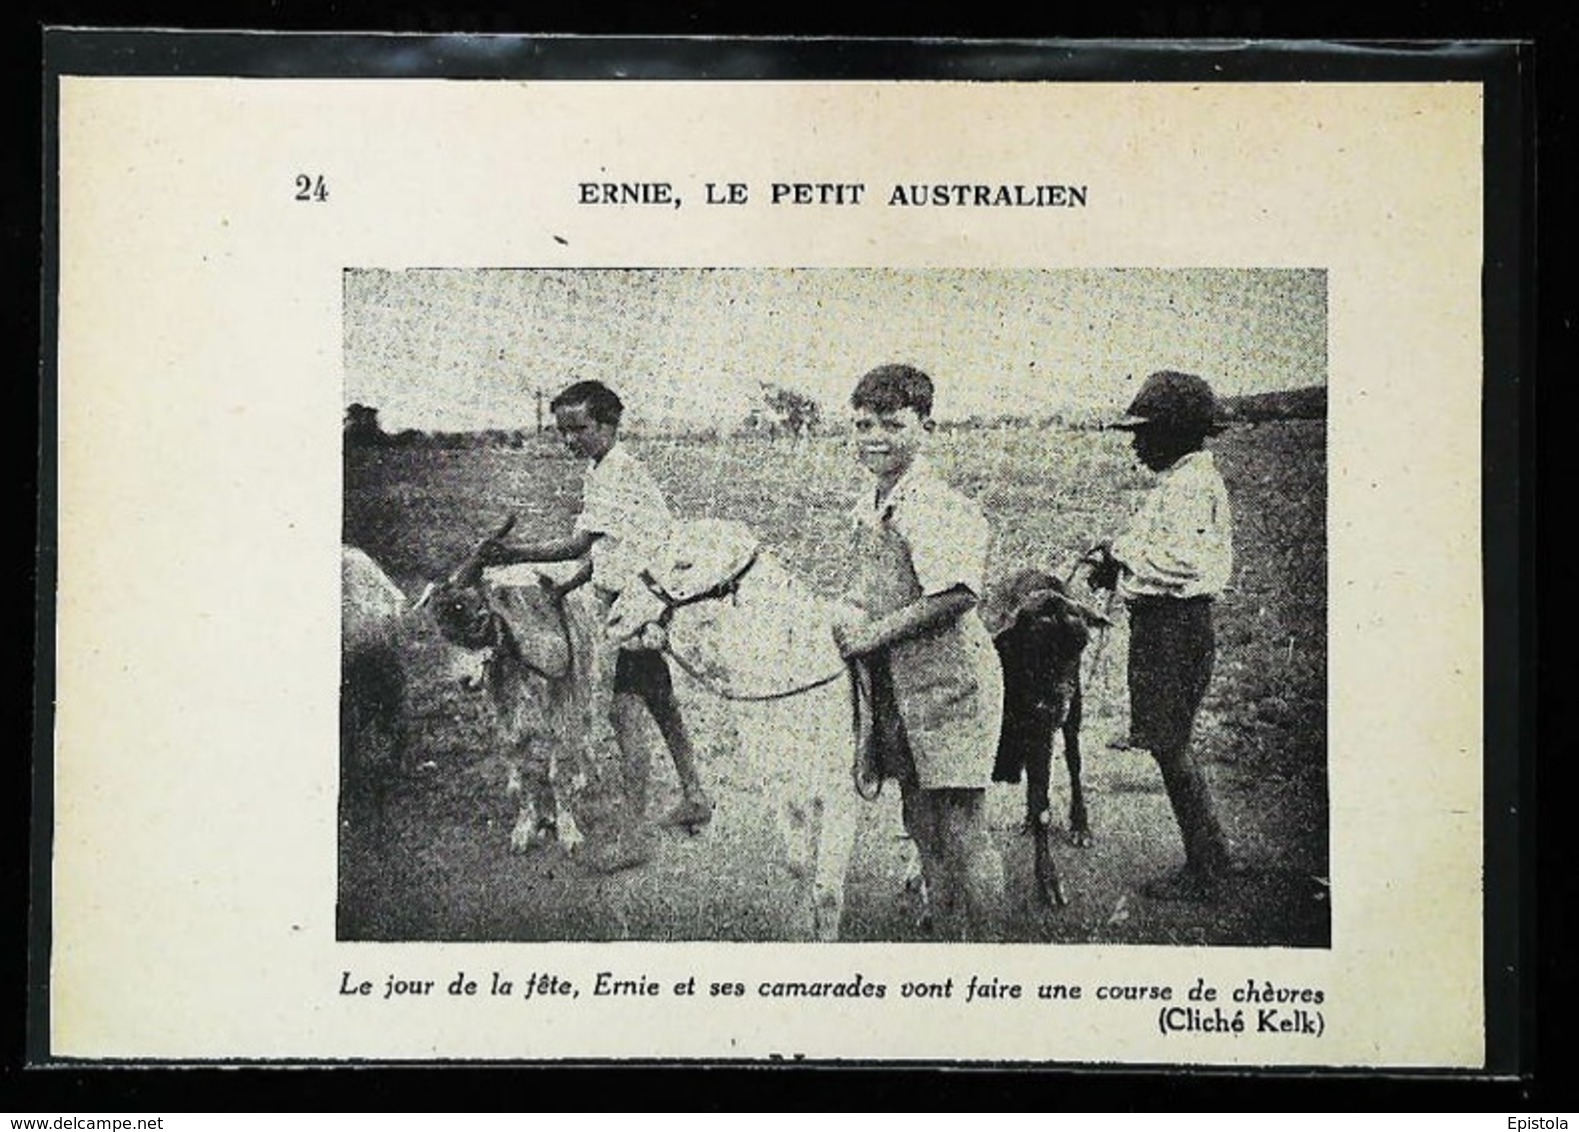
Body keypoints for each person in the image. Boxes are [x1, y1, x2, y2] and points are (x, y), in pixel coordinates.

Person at [479, 380, 714, 865]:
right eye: (562, 431)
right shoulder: (601, 469)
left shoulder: (617, 473)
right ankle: (694, 795)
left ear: (608, 424)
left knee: (626, 716)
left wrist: (514, 553)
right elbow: (609, 548)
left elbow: (580, 544)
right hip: (638, 600)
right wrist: (568, 587)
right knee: (661, 704)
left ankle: (634, 839)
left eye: (579, 429)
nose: (569, 440)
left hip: (635, 607)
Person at [831, 363, 1007, 941]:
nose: (874, 437)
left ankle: (988, 956)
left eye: (891, 424)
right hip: (903, 689)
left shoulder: (935, 504)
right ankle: (952, 930)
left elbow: (956, 595)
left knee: (960, 827)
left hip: (951, 686)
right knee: (921, 821)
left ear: (926, 427)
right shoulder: (877, 501)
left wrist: (869, 636)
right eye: (862, 425)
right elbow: (871, 583)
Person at [1085, 370, 1240, 902]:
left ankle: (1207, 866)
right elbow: (1155, 552)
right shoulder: (1181, 484)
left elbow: (1176, 564)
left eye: (1144, 433)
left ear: (1176, 433)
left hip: (1175, 628)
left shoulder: (1192, 486)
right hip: (1165, 626)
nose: (1136, 444)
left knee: (1171, 747)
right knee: (1168, 744)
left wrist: (1119, 558)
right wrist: (1121, 557)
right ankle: (1210, 854)